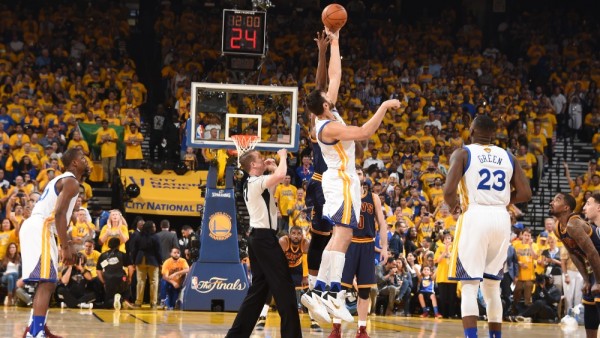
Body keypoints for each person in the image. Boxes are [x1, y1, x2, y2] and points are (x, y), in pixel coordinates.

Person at [301, 25, 400, 324]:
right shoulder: (328, 126)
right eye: (328, 99)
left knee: (340, 234)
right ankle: (328, 293)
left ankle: (323, 291)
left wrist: (335, 43)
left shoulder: (326, 112)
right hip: (341, 179)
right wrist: (383, 106)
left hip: (342, 181)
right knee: (343, 234)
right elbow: (365, 131)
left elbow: (334, 76)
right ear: (324, 107)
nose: (333, 97)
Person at [443, 115, 531, 338]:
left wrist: (454, 207)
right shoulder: (508, 155)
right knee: (493, 287)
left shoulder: (463, 152)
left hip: (476, 214)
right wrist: (501, 201)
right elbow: (525, 193)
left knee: (470, 285)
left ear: (471, 130)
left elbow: (448, 191)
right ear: (494, 134)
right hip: (501, 218)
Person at [225, 148, 301, 338]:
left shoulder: (253, 183)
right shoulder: (254, 182)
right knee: (285, 287)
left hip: (259, 239)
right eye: (259, 158)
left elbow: (274, 186)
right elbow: (283, 175)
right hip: (264, 240)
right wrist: (283, 157)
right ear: (253, 165)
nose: (263, 159)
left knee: (258, 291)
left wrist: (274, 169)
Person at [20, 147, 91, 338]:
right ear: (74, 163)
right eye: (83, 158)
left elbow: (59, 215)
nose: (86, 161)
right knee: (48, 283)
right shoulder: (71, 182)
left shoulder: (62, 180)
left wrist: (64, 242)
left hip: (40, 227)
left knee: (47, 282)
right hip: (41, 227)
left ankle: (36, 328)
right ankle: (35, 333)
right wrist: (65, 246)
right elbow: (58, 213)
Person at [333, 167, 388, 338]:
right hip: (348, 244)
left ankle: (362, 329)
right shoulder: (344, 195)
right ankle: (336, 328)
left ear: (364, 177)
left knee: (364, 291)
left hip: (367, 245)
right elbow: (336, 224)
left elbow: (382, 223)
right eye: (354, 173)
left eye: (359, 173)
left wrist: (384, 247)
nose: (357, 176)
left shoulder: (374, 198)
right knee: (340, 289)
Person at [551, 192, 600, 338]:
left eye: (557, 200)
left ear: (566, 207)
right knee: (589, 309)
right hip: (593, 269)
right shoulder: (558, 227)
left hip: (597, 266)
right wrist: (586, 279)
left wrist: (598, 281)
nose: (551, 202)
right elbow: (573, 253)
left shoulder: (574, 224)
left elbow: (593, 253)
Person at [96, 237, 135, 310]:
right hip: (121, 278)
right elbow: (130, 268)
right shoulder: (123, 255)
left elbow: (98, 271)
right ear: (119, 245)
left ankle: (116, 301)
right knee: (126, 287)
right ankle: (124, 300)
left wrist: (103, 281)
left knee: (108, 303)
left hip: (108, 279)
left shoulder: (102, 255)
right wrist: (129, 278)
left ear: (108, 245)